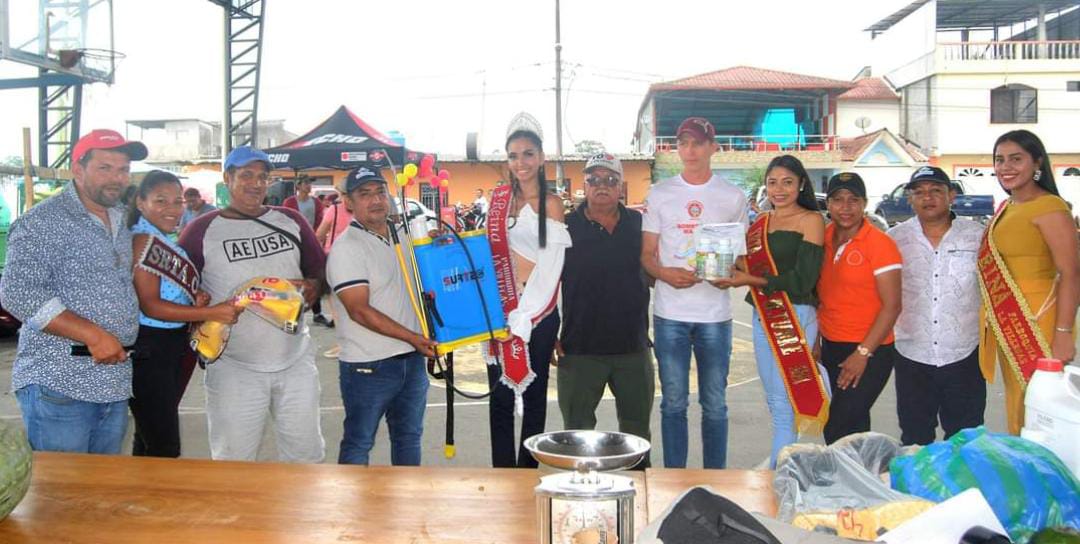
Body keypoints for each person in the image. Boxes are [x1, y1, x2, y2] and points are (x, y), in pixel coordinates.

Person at [1, 129, 147, 453]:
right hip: (60, 384)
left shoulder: (120, 217)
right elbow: (18, 291)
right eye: (105, 168)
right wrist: (92, 334)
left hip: (113, 381)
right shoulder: (44, 221)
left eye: (123, 169)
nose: (117, 178)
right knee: (62, 484)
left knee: (100, 482)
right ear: (78, 170)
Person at [179, 146, 326, 463]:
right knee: (234, 463)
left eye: (263, 177)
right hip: (234, 368)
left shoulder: (290, 220)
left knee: (306, 459)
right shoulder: (201, 231)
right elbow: (178, 289)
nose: (256, 183)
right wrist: (199, 304)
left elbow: (319, 269)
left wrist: (313, 286)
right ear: (228, 178)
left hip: (295, 362)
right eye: (246, 175)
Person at [641, 117, 748, 469]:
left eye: (698, 143)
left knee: (715, 404)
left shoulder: (732, 196)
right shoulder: (660, 194)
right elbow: (647, 255)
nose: (690, 151)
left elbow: (740, 258)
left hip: (714, 317)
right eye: (683, 143)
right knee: (673, 402)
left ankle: (716, 478)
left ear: (713, 147)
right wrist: (664, 273)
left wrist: (728, 277)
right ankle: (675, 478)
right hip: (670, 314)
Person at [720, 155, 828, 468]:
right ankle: (785, 464)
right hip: (762, 316)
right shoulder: (761, 222)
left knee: (784, 404)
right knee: (775, 400)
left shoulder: (811, 220)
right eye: (772, 182)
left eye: (787, 182)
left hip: (795, 316)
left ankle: (779, 472)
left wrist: (748, 280)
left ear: (801, 184)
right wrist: (720, 261)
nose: (779, 189)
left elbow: (803, 280)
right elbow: (748, 265)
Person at [326, 167, 438, 465]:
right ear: (348, 202)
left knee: (409, 437)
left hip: (412, 360)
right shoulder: (347, 248)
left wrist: (437, 248)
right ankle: (353, 499)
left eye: (380, 192)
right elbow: (359, 310)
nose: (376, 200)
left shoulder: (402, 235)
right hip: (369, 365)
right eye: (365, 194)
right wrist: (413, 337)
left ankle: (406, 496)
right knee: (359, 442)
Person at [127, 170, 243, 457]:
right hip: (150, 347)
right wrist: (209, 311)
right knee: (164, 445)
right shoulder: (143, 241)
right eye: (161, 201)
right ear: (141, 202)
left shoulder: (161, 237)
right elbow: (150, 305)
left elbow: (167, 290)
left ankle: (144, 485)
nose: (172, 209)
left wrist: (193, 297)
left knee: (149, 438)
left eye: (177, 201)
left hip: (167, 345)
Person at [979, 130, 1080, 435]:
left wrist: (1063, 334)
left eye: (1016, 159)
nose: (1005, 167)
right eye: (999, 160)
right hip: (1008, 317)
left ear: (1037, 163)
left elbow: (1071, 273)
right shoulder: (1008, 206)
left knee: (1041, 408)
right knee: (1019, 402)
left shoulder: (1050, 207)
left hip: (1039, 321)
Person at [485, 112, 570, 468]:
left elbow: (551, 269)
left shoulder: (552, 204)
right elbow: (486, 254)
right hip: (501, 310)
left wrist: (526, 314)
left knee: (534, 397)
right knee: (499, 397)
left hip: (538, 312)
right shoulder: (499, 200)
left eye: (528, 154)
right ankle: (503, 472)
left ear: (541, 158)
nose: (520, 162)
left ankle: (526, 472)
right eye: (513, 156)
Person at [557, 153, 653, 466]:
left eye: (610, 180)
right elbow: (544, 281)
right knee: (577, 437)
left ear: (621, 187)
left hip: (632, 349)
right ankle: (580, 494)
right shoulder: (564, 227)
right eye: (594, 179)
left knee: (638, 439)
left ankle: (641, 493)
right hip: (579, 350)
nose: (602, 186)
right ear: (584, 185)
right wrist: (547, 332)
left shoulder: (640, 225)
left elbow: (656, 270)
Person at [888, 166, 986, 446]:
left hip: (964, 353)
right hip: (911, 353)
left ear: (951, 195)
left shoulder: (978, 236)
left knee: (966, 440)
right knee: (914, 438)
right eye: (919, 192)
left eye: (935, 191)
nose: (927, 198)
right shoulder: (894, 239)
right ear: (910, 199)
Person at [817, 172, 902, 444]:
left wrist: (862, 353)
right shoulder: (822, 238)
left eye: (853, 200)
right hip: (831, 345)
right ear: (828, 204)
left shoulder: (880, 244)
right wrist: (816, 342)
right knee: (853, 426)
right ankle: (861, 470)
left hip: (870, 349)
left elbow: (892, 306)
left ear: (864, 203)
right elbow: (818, 296)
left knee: (840, 426)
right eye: (838, 200)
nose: (846, 207)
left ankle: (849, 471)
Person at [284, 177, 328, 324]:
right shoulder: (289, 202)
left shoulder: (316, 202)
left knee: (314, 276)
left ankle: (317, 313)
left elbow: (320, 221)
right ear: (298, 186)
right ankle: (291, 312)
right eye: (306, 183)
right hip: (294, 243)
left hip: (311, 242)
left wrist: (315, 239)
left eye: (310, 183)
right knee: (295, 277)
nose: (309, 186)